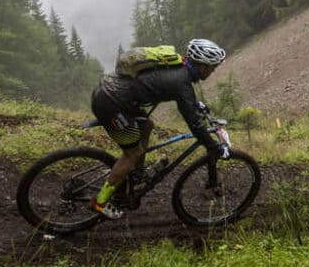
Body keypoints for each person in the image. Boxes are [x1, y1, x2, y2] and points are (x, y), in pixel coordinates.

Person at [89, 38, 229, 218]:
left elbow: (184, 97)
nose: (213, 71)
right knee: (131, 154)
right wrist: (213, 147)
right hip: (110, 102)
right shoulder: (182, 82)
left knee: (147, 125)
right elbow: (194, 124)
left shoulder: (179, 64)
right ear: (202, 65)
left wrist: (195, 104)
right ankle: (100, 202)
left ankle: (138, 173)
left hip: (111, 91)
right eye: (212, 67)